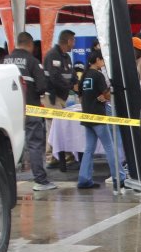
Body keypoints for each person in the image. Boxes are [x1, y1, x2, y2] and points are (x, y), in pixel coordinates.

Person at [6, 31, 55, 191]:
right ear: (30, 45)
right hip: (30, 108)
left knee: (9, 146)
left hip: (9, 112)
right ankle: (40, 180)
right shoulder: (32, 62)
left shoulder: (4, 61)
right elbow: (42, 87)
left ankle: (7, 180)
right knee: (34, 144)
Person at [77, 51, 126, 190]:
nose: (103, 64)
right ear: (97, 60)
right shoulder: (98, 75)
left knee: (89, 149)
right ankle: (119, 177)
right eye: (102, 61)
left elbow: (80, 95)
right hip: (98, 115)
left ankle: (84, 179)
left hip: (86, 116)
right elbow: (108, 95)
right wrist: (105, 96)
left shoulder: (85, 75)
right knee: (109, 147)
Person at [44, 30, 78, 172]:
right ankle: (51, 158)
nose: (74, 44)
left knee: (61, 126)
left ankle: (63, 155)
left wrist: (77, 84)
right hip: (52, 98)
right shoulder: (52, 55)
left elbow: (72, 74)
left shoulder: (66, 57)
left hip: (63, 97)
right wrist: (70, 86)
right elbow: (54, 77)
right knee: (54, 127)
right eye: (73, 41)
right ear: (68, 41)